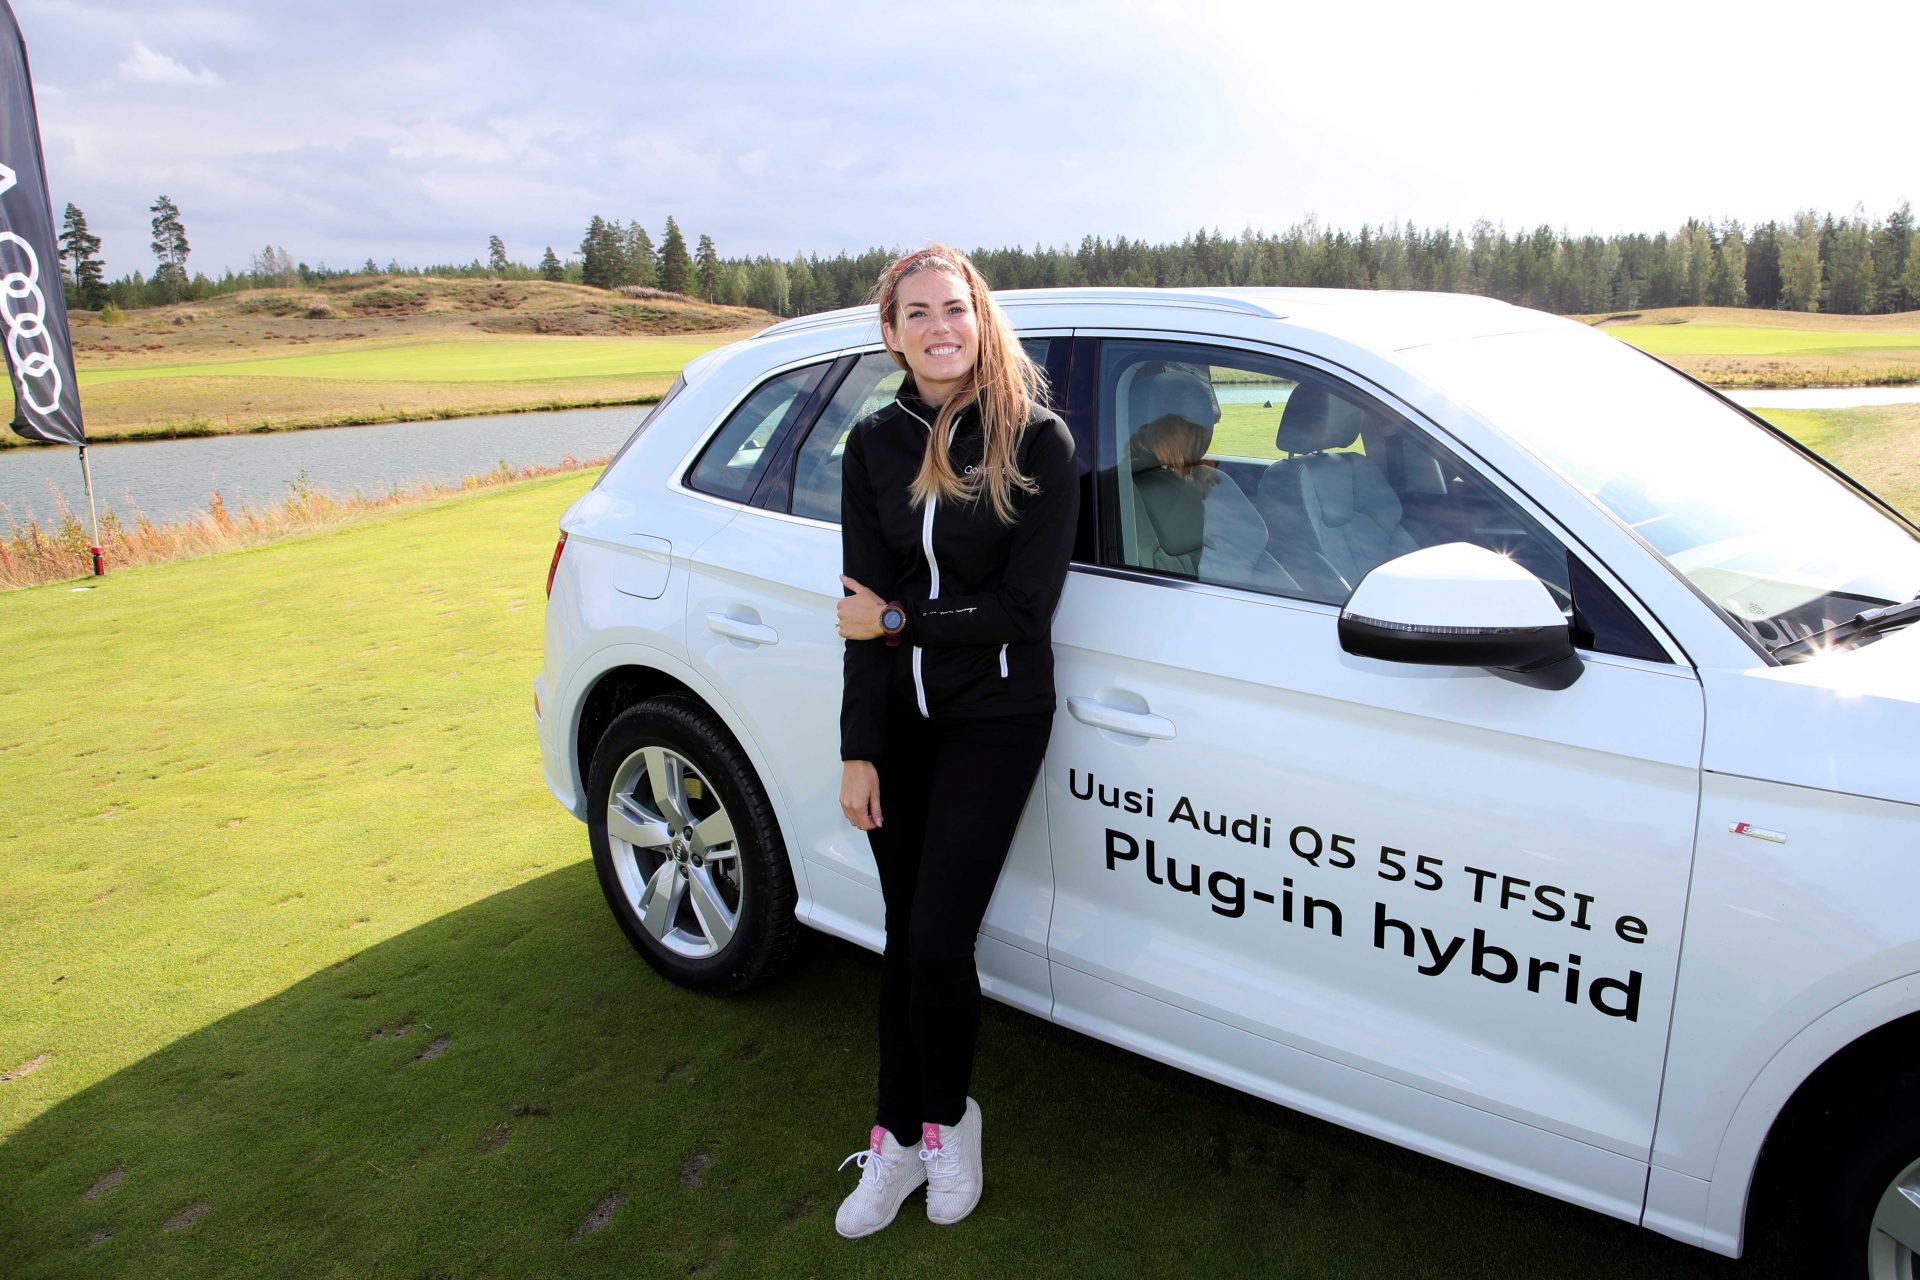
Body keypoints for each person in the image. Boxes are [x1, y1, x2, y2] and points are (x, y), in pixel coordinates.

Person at [831, 244, 1078, 1238]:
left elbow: (1023, 608)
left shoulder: (1037, 439)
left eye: (955, 308)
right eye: (918, 314)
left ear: (980, 317)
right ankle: (895, 1135)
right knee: (903, 941)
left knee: (939, 939)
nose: (941, 328)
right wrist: (859, 747)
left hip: (995, 719)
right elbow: (857, 609)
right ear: (891, 334)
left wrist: (900, 622)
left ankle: (948, 1121)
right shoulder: (871, 444)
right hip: (900, 724)